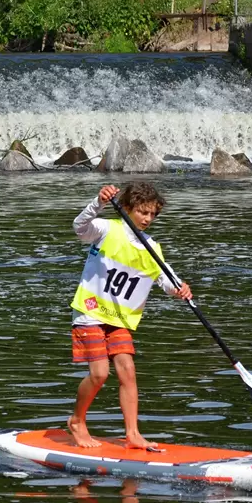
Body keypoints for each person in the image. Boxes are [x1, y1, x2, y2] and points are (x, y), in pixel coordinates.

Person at [68, 182, 192, 451]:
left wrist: (180, 289)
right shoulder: (105, 228)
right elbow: (79, 227)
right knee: (100, 374)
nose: (148, 219)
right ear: (126, 208)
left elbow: (166, 279)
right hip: (90, 311)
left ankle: (133, 434)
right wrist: (98, 203)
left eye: (152, 215)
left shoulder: (152, 248)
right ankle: (77, 421)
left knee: (128, 372)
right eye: (142, 212)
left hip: (120, 319)